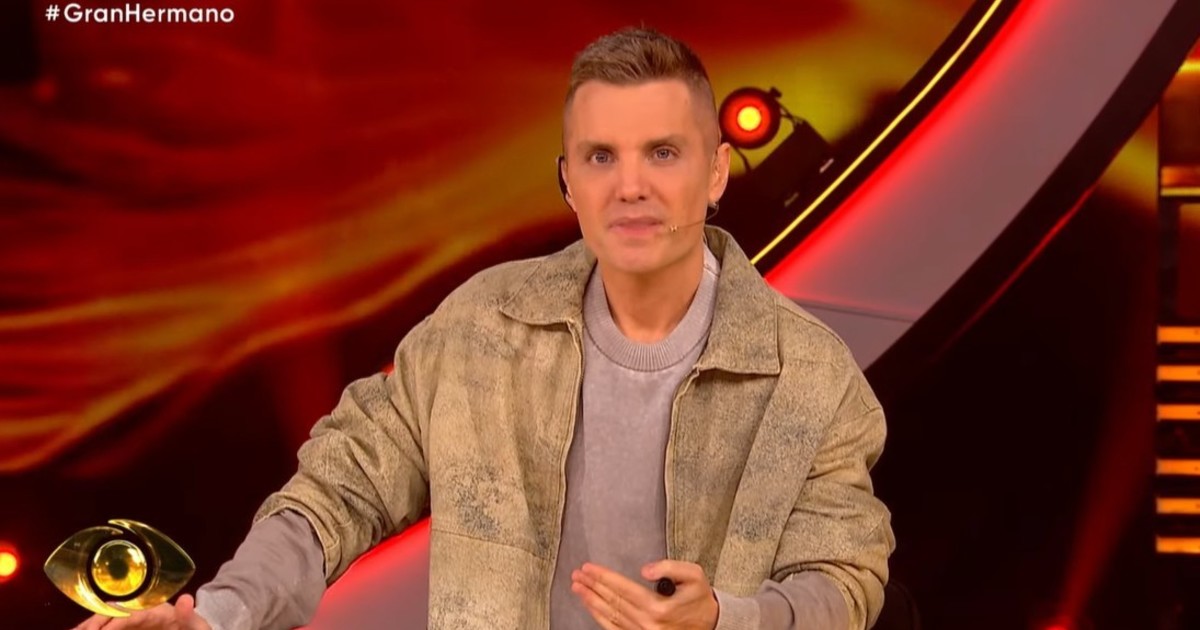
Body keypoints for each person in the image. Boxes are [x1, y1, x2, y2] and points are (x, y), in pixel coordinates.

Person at [74, 26, 893, 630]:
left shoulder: (809, 374)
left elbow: (845, 582)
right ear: (568, 182)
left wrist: (725, 619)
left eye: (663, 153)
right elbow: (338, 489)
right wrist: (218, 617)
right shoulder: (479, 330)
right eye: (601, 157)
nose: (630, 187)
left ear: (716, 171)